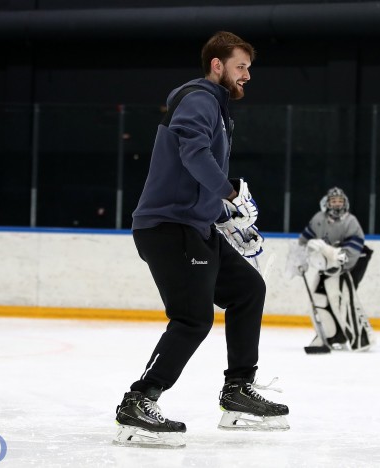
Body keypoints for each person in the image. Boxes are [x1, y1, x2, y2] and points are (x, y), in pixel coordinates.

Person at [113, 31, 289, 449]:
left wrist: (221, 211)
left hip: (194, 225)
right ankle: (139, 400)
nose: (246, 75)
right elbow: (193, 154)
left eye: (248, 68)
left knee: (248, 289)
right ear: (217, 65)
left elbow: (192, 169)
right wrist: (228, 192)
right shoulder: (200, 99)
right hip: (168, 227)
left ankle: (238, 390)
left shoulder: (216, 106)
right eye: (241, 66)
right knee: (193, 318)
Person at [286, 186, 375, 353]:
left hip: (349, 267)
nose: (337, 204)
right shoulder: (318, 219)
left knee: (343, 302)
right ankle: (330, 335)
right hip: (326, 267)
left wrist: (333, 253)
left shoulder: (350, 221)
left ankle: (361, 337)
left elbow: (353, 250)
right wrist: (299, 260)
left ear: (345, 203)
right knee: (318, 300)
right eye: (334, 201)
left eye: (340, 201)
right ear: (327, 203)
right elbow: (304, 240)